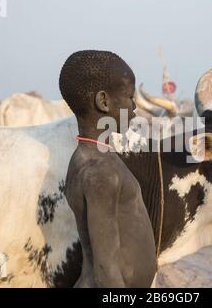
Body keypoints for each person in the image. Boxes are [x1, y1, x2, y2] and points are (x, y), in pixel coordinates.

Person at [59, 50, 157, 287]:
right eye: (129, 97)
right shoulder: (99, 171)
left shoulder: (91, 156)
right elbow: (106, 269)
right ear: (103, 102)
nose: (134, 107)